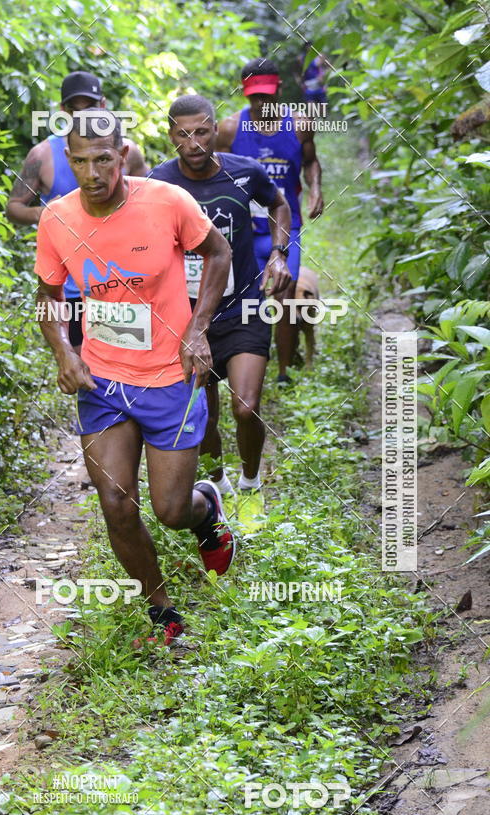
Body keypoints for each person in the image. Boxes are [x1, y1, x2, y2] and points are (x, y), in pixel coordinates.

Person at [34, 114, 235, 647]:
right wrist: (64, 351)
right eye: (79, 160)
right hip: (102, 382)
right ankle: (162, 613)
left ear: (122, 156)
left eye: (103, 158)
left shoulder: (166, 201)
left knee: (170, 510)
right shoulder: (57, 218)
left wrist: (198, 328)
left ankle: (205, 510)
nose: (92, 171)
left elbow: (219, 253)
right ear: (67, 161)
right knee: (116, 503)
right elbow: (49, 300)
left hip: (169, 375)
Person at [150, 94, 291, 529]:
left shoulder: (245, 171)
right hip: (189, 317)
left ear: (216, 130)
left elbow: (279, 205)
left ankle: (250, 483)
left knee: (246, 408)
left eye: (202, 132)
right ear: (171, 135)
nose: (193, 143)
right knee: (204, 414)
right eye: (182, 134)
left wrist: (279, 253)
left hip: (245, 307)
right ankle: (219, 485)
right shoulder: (160, 183)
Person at [7, 71, 148, 350]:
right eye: (75, 109)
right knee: (84, 368)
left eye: (90, 107)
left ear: (104, 105)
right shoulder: (43, 154)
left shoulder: (127, 152)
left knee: (127, 358)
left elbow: (151, 204)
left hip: (127, 280)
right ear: (63, 111)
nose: (82, 114)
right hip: (72, 287)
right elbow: (13, 208)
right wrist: (46, 213)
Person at [217, 58, 324, 384]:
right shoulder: (231, 128)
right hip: (244, 230)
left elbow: (311, 161)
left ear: (278, 89)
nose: (260, 102)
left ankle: (283, 371)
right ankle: (243, 362)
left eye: (266, 94)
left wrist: (314, 189)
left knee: (286, 293)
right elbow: (217, 172)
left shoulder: (300, 124)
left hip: (284, 224)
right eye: (254, 96)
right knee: (243, 297)